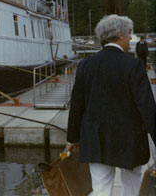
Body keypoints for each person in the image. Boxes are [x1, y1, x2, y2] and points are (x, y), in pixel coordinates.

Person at [66, 14, 156, 196]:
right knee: (133, 187)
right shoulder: (134, 65)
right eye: (129, 33)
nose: (131, 37)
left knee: (100, 189)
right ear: (120, 35)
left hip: (95, 139)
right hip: (129, 140)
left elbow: (77, 105)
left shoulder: (85, 65)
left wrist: (72, 139)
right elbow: (147, 108)